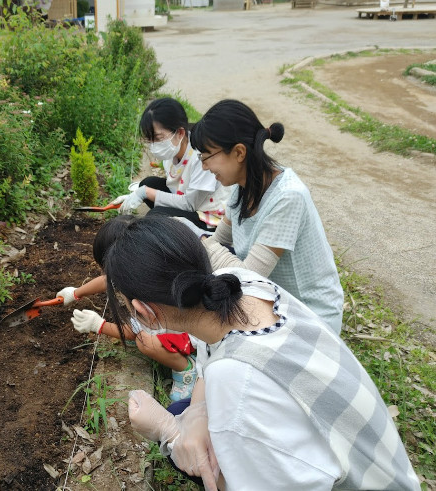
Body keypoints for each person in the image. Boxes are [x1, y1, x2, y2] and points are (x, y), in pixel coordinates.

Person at [104, 216, 420, 491]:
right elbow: (208, 362)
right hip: (378, 464)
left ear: (143, 311)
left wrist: (169, 434)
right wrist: (199, 414)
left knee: (178, 421)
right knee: (188, 410)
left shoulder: (238, 379)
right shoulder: (241, 284)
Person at [191, 99, 344, 334]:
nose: (204, 167)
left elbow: (248, 277)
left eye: (207, 156)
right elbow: (219, 240)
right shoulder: (241, 189)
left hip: (309, 315)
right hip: (273, 297)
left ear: (239, 152)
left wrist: (201, 244)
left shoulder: (288, 197)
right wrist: (202, 245)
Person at [57, 215, 198, 402]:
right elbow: (108, 281)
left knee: (145, 342)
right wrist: (76, 293)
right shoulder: (148, 264)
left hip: (192, 336)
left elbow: (132, 333)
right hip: (189, 319)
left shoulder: (147, 301)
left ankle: (186, 369)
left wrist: (98, 325)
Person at [113, 97, 233, 230]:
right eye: (149, 139)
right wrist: (140, 192)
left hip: (208, 215)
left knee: (156, 215)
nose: (153, 145)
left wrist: (145, 193)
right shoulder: (172, 149)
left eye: (158, 138)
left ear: (180, 132)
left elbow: (190, 204)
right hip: (187, 201)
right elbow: (176, 189)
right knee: (148, 184)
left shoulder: (201, 155)